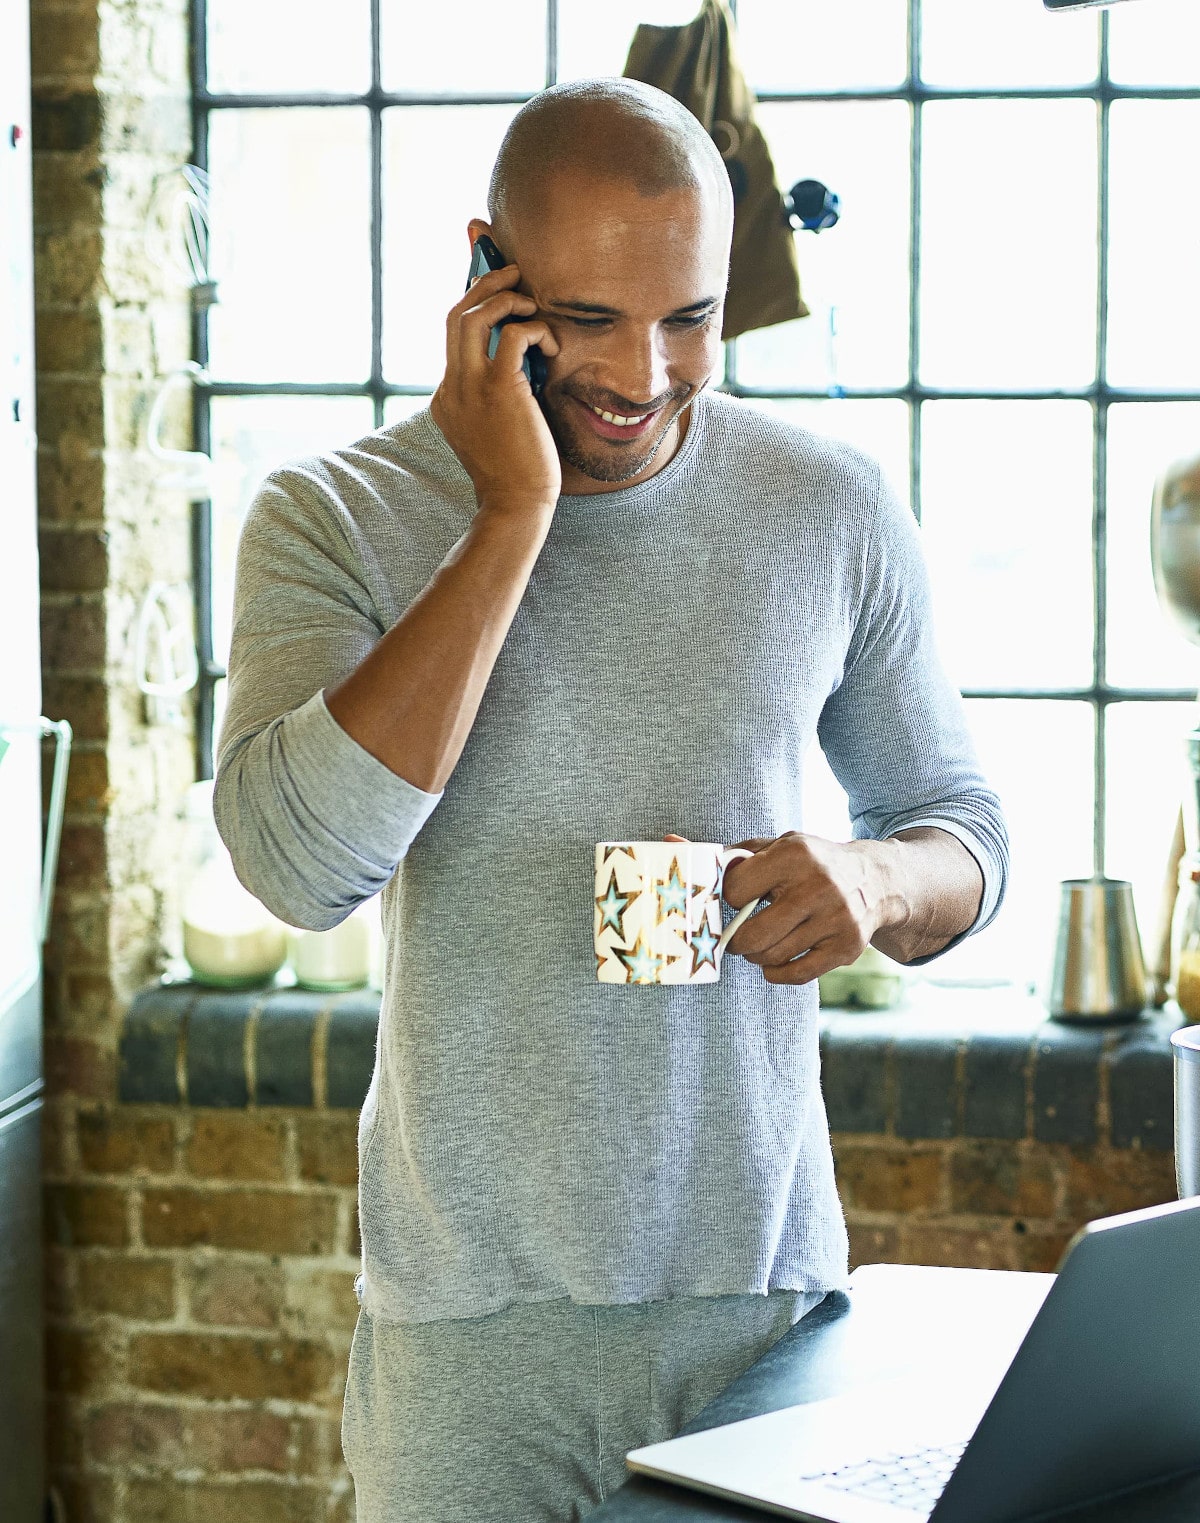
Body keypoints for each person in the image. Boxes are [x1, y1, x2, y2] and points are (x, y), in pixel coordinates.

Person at [214, 78, 1007, 1523]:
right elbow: (293, 868)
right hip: (467, 1349)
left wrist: (878, 881)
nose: (645, 374)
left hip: (761, 1323)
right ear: (485, 274)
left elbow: (966, 831)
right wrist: (509, 514)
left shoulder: (827, 507)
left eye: (688, 317)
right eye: (588, 320)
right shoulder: (333, 516)